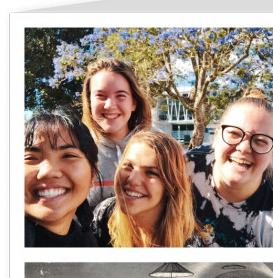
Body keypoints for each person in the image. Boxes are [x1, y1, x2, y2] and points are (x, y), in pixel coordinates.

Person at [187, 88, 273, 247]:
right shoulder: (183, 168)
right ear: (216, 137)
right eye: (234, 134)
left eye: (260, 140)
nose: (244, 148)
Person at [92, 131, 204, 247]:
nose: (132, 180)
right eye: (128, 166)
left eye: (151, 173)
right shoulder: (103, 215)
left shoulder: (189, 244)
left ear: (171, 185)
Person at [81, 57, 152, 208]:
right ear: (89, 101)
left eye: (120, 95)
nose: (110, 105)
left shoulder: (157, 149)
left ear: (133, 103)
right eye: (100, 95)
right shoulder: (76, 151)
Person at [25, 109, 100, 247]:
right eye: (30, 158)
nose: (48, 171)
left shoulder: (87, 242)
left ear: (93, 175)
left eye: (68, 156)